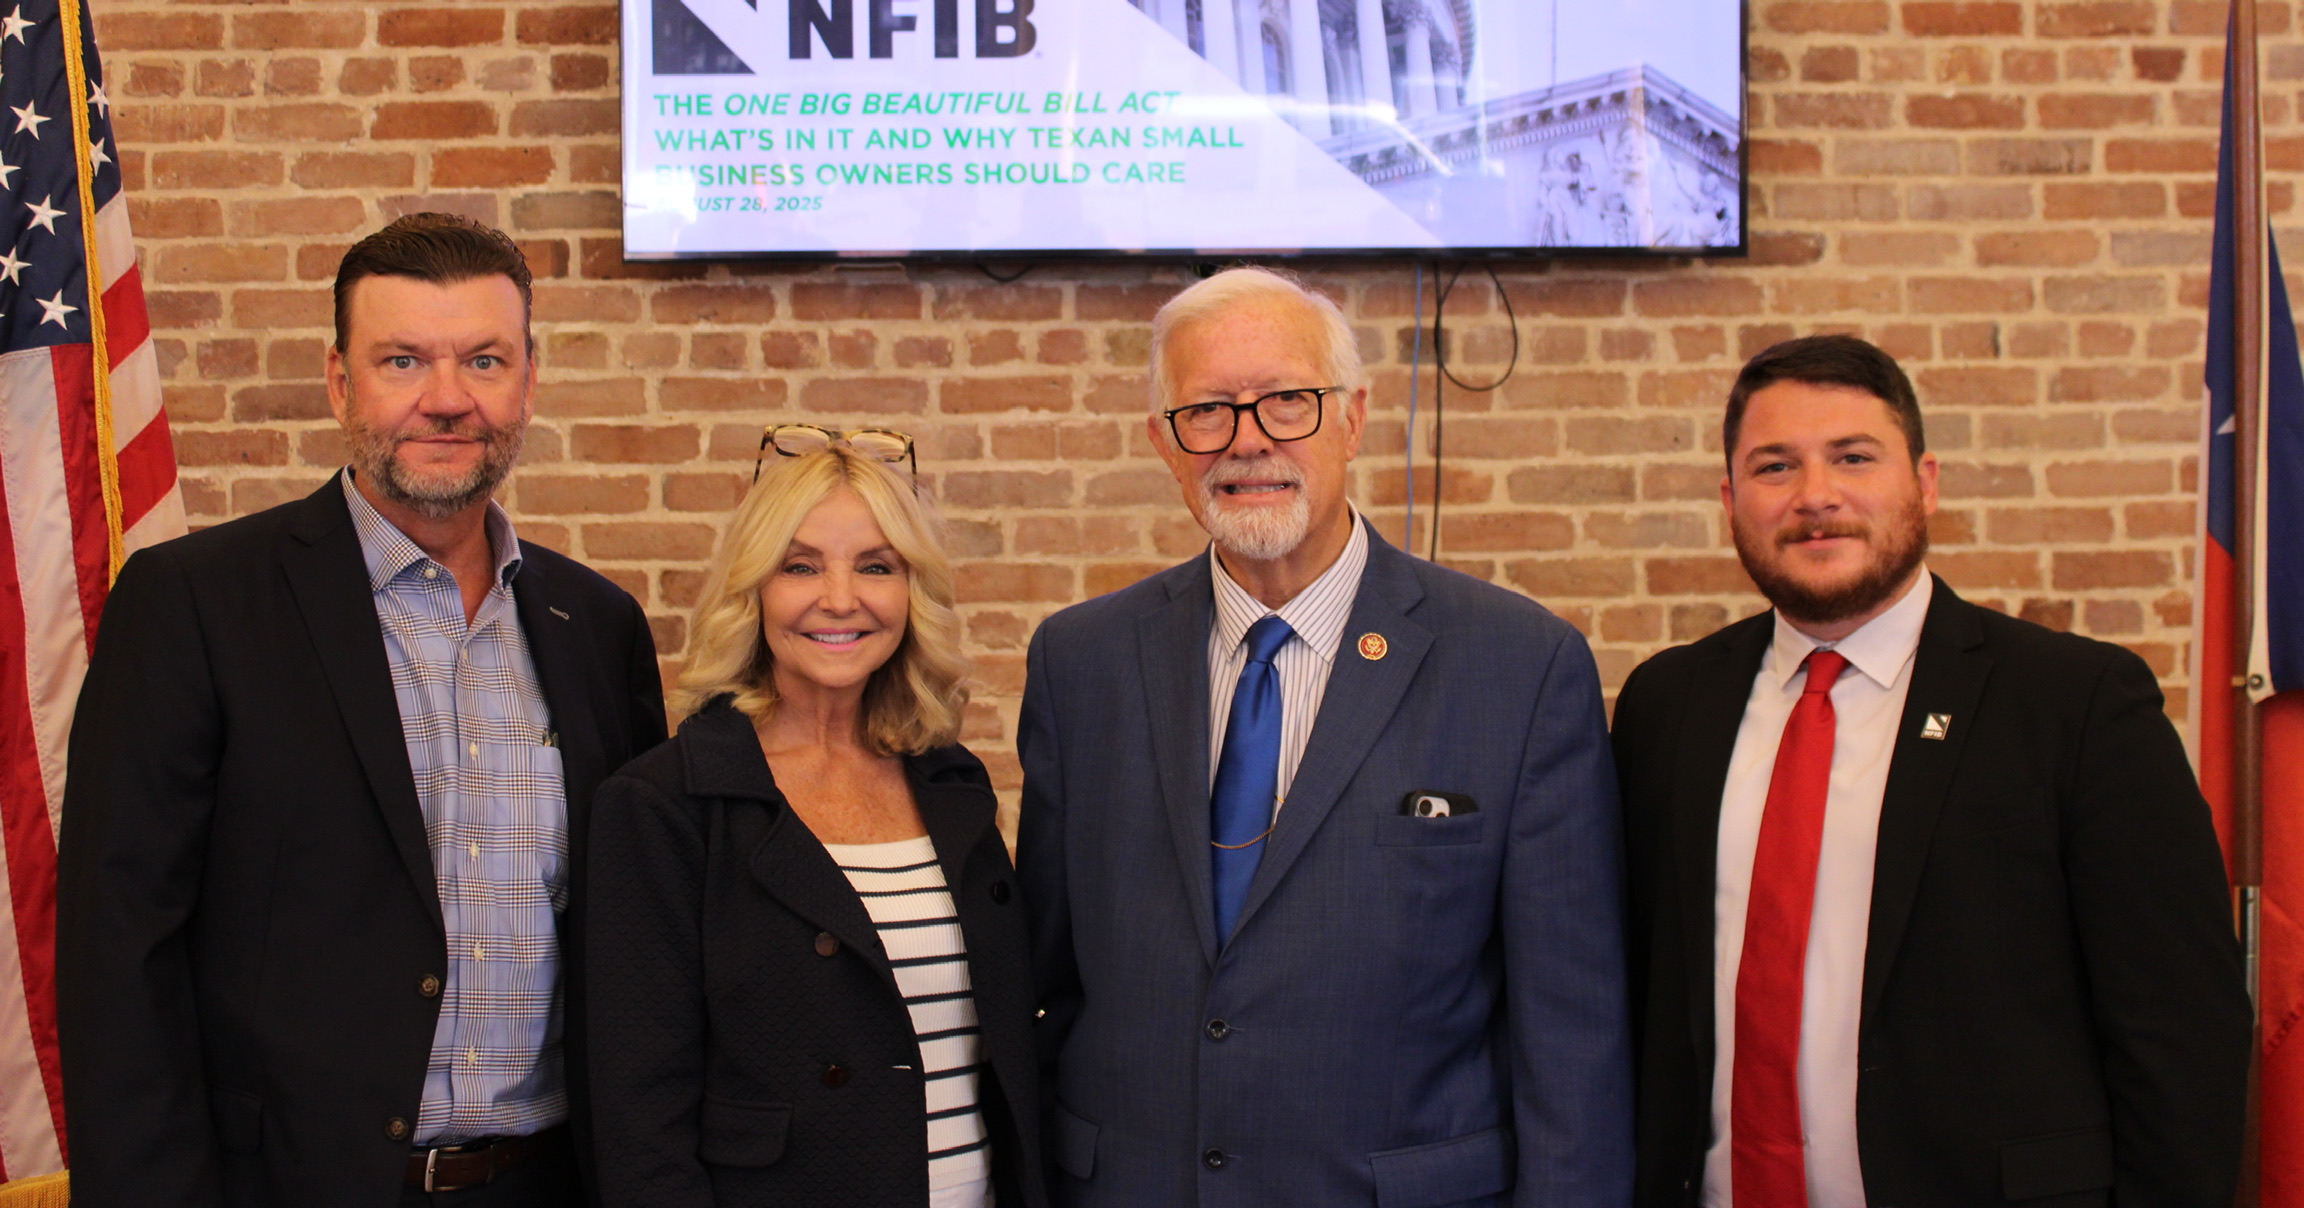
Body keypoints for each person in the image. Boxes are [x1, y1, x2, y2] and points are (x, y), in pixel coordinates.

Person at [57, 213, 667, 1208]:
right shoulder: (194, 606)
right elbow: (117, 958)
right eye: (401, 360)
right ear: (341, 381)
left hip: (549, 1184)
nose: (445, 399)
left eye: (482, 359)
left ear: (528, 380)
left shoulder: (597, 626)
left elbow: (641, 947)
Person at [1017, 265, 1632, 1206]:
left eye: (1286, 402)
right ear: (1163, 442)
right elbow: (1050, 984)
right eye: (1209, 410)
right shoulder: (1081, 664)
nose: (1248, 440)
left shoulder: (1521, 667)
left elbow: (1572, 1040)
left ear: (1352, 415)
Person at [1612, 334, 2250, 1208]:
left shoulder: (2078, 704)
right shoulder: (1666, 707)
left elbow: (2182, 1039)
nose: (1816, 496)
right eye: (1774, 467)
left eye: (1853, 457)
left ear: (1926, 482)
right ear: (1730, 500)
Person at [587, 428, 1045, 1208]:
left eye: (876, 566)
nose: (841, 598)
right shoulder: (666, 805)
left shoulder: (952, 782)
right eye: (800, 566)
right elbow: (639, 1123)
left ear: (912, 592)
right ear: (754, 588)